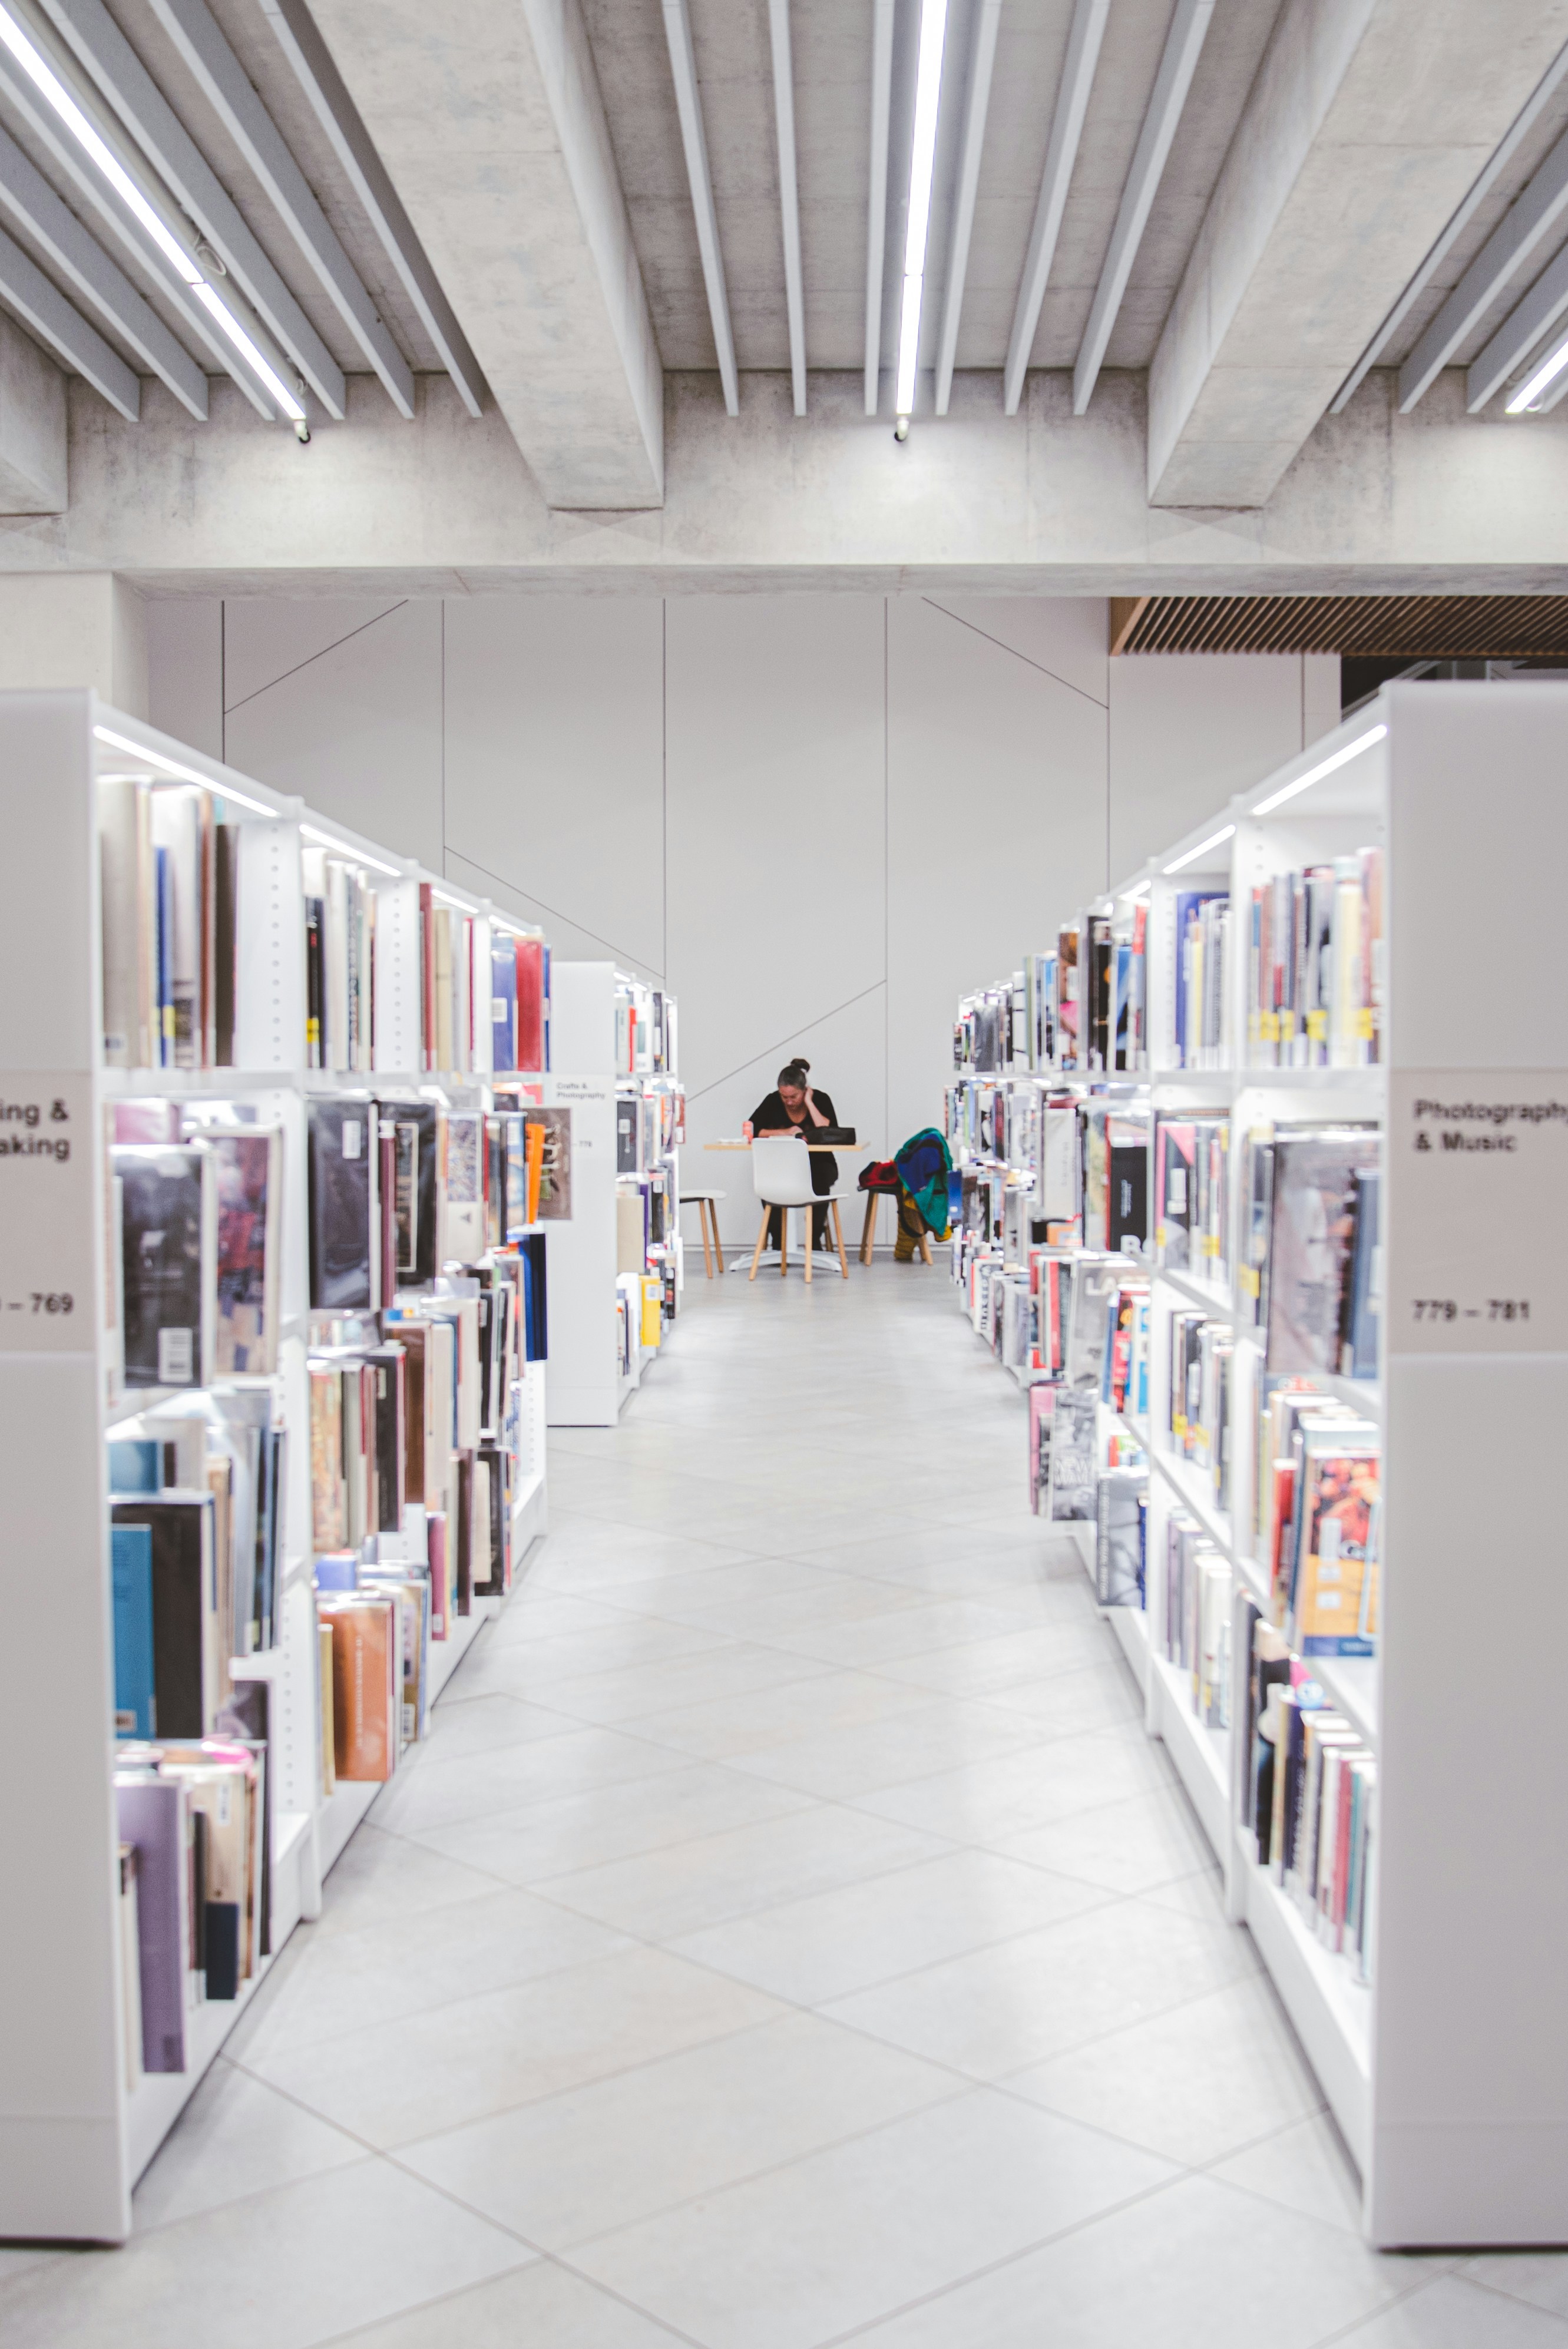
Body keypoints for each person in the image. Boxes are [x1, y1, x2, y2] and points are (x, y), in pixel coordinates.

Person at [745, 1058, 838, 1257]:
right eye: (784, 1096)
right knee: (771, 1185)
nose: (788, 1101)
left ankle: (813, 1242)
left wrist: (809, 1103)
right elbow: (752, 1129)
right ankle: (779, 1245)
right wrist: (786, 1132)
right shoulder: (772, 1101)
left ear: (805, 1090)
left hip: (818, 1165)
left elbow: (830, 1133)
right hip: (782, 1166)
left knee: (820, 1181)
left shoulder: (821, 1100)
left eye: (794, 1096)